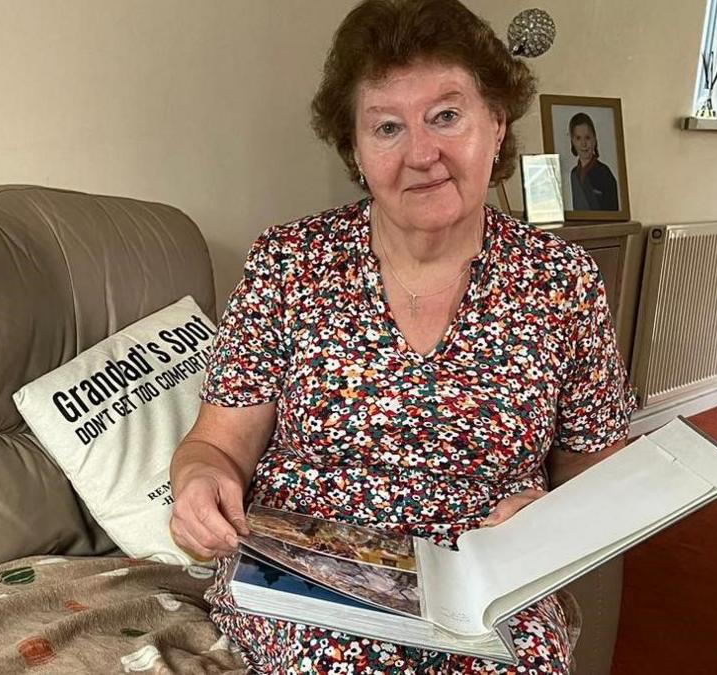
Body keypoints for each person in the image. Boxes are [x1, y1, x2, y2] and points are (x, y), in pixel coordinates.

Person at [169, 0, 636, 672]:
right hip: (315, 566)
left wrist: (547, 520)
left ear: (497, 124)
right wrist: (198, 482)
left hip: (488, 573)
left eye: (447, 115)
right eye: (387, 126)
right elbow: (216, 444)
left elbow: (600, 465)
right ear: (356, 151)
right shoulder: (290, 262)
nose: (422, 153)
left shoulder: (562, 281)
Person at [567, 112, 620, 211]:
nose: (583, 144)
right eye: (578, 138)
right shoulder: (574, 174)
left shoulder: (604, 173)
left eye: (587, 137)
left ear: (594, 140)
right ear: (572, 141)